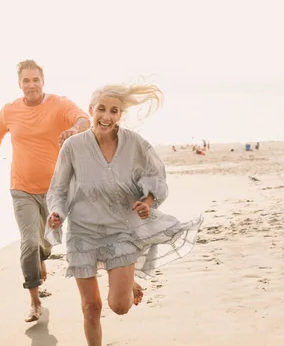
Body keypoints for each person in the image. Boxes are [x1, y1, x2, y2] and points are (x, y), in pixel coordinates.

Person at [45, 83, 204, 346]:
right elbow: (58, 188)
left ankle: (128, 284)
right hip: (83, 231)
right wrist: (56, 212)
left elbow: (154, 175)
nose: (106, 116)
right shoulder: (73, 146)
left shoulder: (134, 144)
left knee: (119, 306)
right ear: (91, 110)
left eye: (114, 111)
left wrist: (148, 199)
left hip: (121, 229)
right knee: (91, 307)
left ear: (120, 116)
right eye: (102, 109)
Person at [0, 59, 90, 323]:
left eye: (35, 80)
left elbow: (85, 119)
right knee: (28, 242)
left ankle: (42, 255)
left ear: (43, 82)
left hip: (55, 191)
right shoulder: (9, 111)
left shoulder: (59, 104)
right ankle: (35, 301)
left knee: (45, 242)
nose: (31, 85)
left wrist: (74, 129)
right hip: (22, 188)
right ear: (19, 84)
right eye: (26, 81)